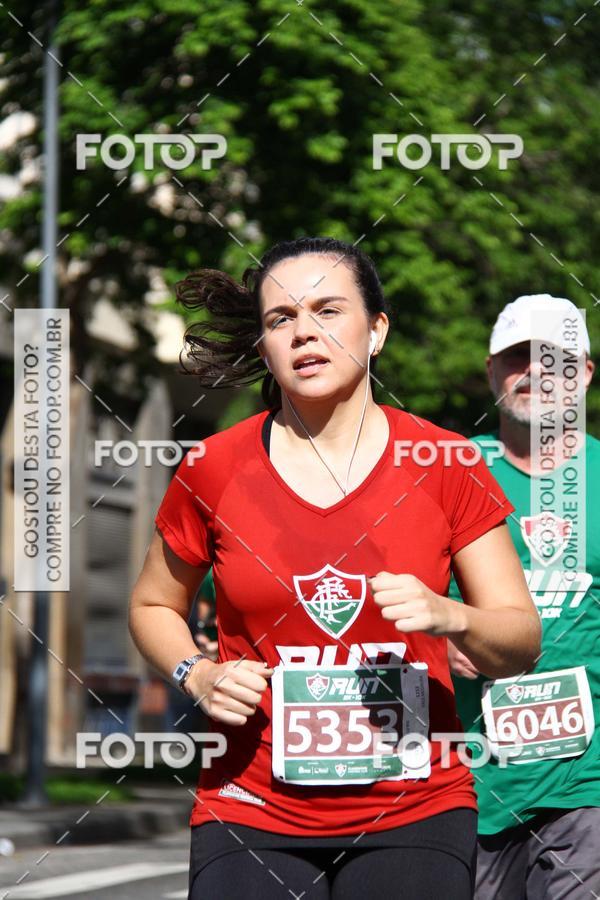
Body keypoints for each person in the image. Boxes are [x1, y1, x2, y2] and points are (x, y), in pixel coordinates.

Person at [129, 237, 540, 900]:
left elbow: (519, 640)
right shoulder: (213, 467)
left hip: (415, 806)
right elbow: (153, 607)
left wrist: (451, 615)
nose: (304, 334)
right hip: (249, 805)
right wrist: (195, 672)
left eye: (327, 310)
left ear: (376, 331)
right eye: (280, 319)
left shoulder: (446, 463)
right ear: (264, 345)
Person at [449, 293, 599, 899]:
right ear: (491, 371)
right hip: (470, 784)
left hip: (588, 786)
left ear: (585, 373)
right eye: (516, 357)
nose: (534, 371)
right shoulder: (444, 474)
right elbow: (385, 602)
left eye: (554, 358)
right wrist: (436, 648)